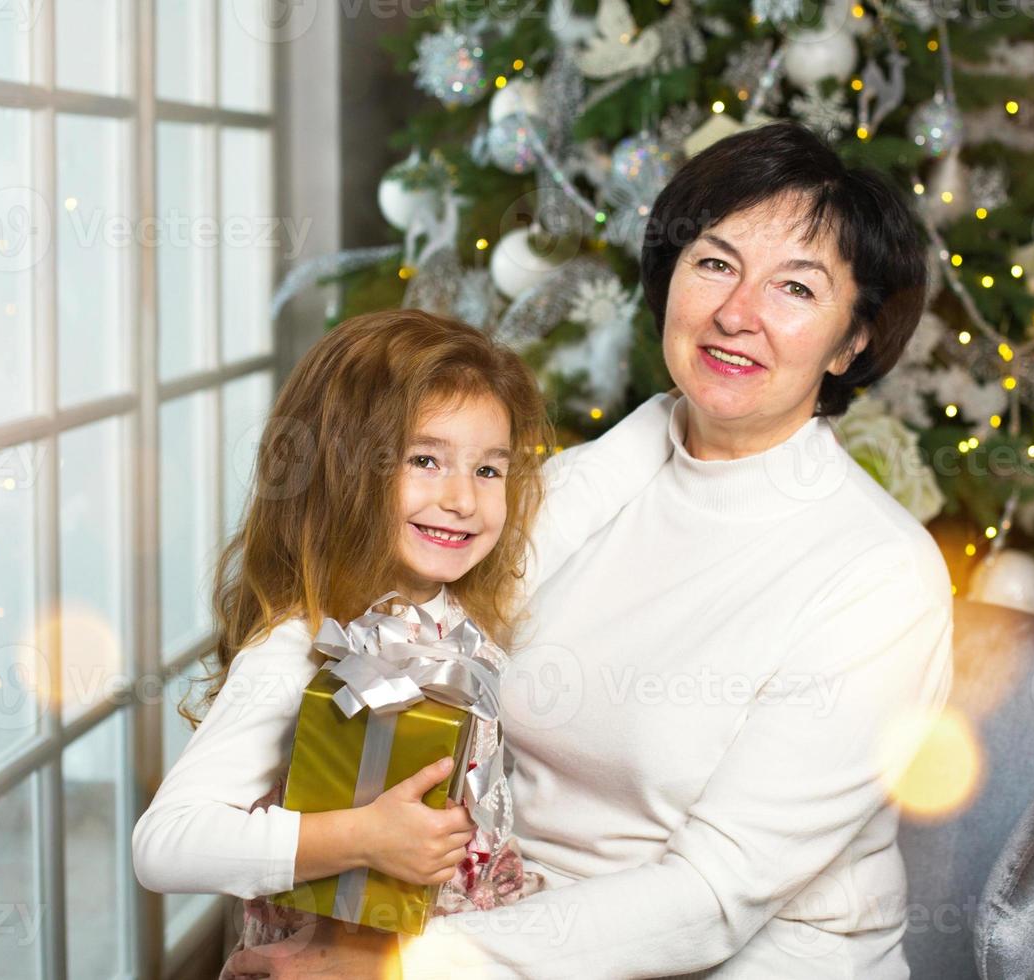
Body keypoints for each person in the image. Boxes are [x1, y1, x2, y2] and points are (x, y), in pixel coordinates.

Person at [226, 120, 955, 979]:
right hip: (504, 912)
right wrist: (348, 921)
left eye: (796, 289)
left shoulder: (877, 574)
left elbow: (714, 898)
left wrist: (400, 966)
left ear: (852, 340)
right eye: (715, 263)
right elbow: (404, 679)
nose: (736, 313)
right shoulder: (576, 487)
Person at [131, 310, 677, 962]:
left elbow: (591, 486)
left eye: (487, 470)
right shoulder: (300, 647)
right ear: (342, 470)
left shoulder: (468, 604)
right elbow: (164, 846)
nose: (462, 501)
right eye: (425, 459)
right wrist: (360, 837)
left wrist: (691, 399)